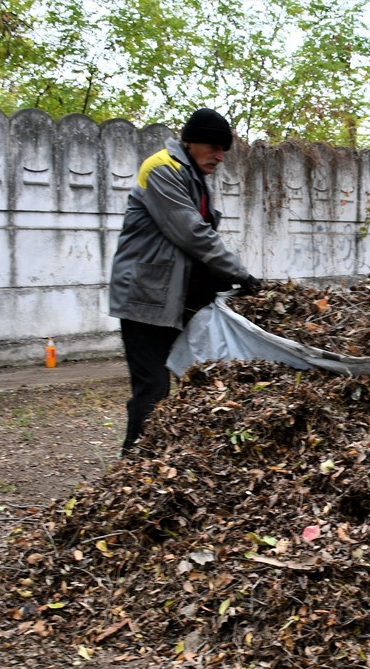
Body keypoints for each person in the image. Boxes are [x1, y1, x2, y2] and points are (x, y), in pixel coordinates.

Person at [108, 108, 261, 455]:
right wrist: (240, 274)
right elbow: (192, 234)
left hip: (182, 301)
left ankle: (183, 463)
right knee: (153, 388)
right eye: (214, 147)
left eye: (225, 149)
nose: (220, 156)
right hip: (147, 300)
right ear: (189, 142)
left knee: (201, 379)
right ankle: (134, 466)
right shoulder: (162, 168)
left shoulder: (194, 176)